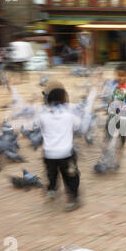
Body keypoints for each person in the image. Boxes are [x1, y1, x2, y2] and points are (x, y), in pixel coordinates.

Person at [36, 81, 81, 212]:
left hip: (49, 154)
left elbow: (37, 125)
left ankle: (51, 189)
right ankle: (73, 199)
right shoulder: (69, 115)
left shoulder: (43, 116)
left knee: (51, 172)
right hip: (66, 154)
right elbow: (78, 125)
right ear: (65, 101)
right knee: (71, 177)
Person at [105, 63, 126, 150]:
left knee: (122, 132)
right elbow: (110, 97)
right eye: (119, 75)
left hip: (123, 112)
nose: (120, 78)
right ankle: (108, 144)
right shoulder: (114, 84)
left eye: (123, 76)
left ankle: (122, 145)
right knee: (109, 128)